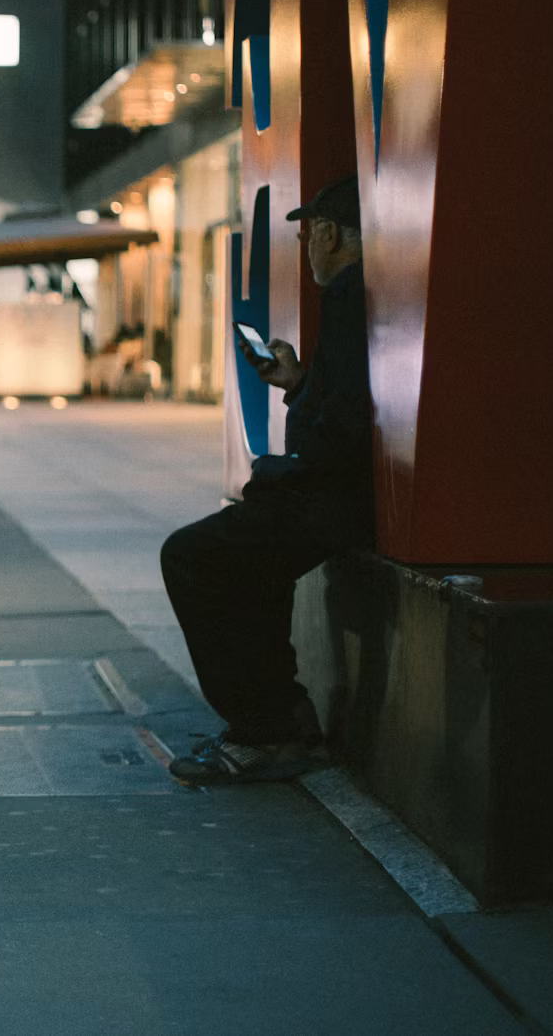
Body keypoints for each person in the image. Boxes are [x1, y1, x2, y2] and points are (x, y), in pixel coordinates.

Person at [160, 176, 373, 785]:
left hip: (336, 499)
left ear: (329, 235)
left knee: (191, 556)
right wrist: (298, 382)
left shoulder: (348, 295)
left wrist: (287, 458)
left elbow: (338, 432)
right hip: (344, 493)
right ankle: (283, 719)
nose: (307, 248)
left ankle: (264, 732)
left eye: (309, 235)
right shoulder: (363, 294)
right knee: (249, 555)